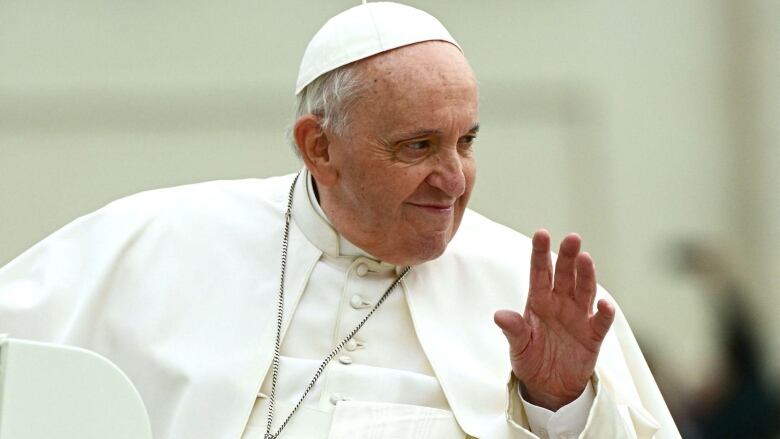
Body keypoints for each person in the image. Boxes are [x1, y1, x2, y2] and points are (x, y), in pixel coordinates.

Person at [0, 2, 678, 438]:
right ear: (319, 147)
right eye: (418, 146)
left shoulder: (527, 293)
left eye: (466, 141)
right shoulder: (152, 243)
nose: (454, 177)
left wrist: (560, 407)